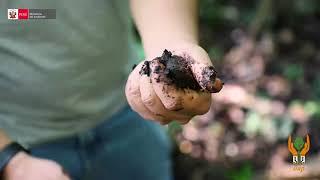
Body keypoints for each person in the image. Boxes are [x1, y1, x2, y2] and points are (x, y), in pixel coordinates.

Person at [0, 0, 218, 179]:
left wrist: (174, 43)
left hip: (127, 113)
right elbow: (25, 14)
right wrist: (9, 160)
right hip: (25, 142)